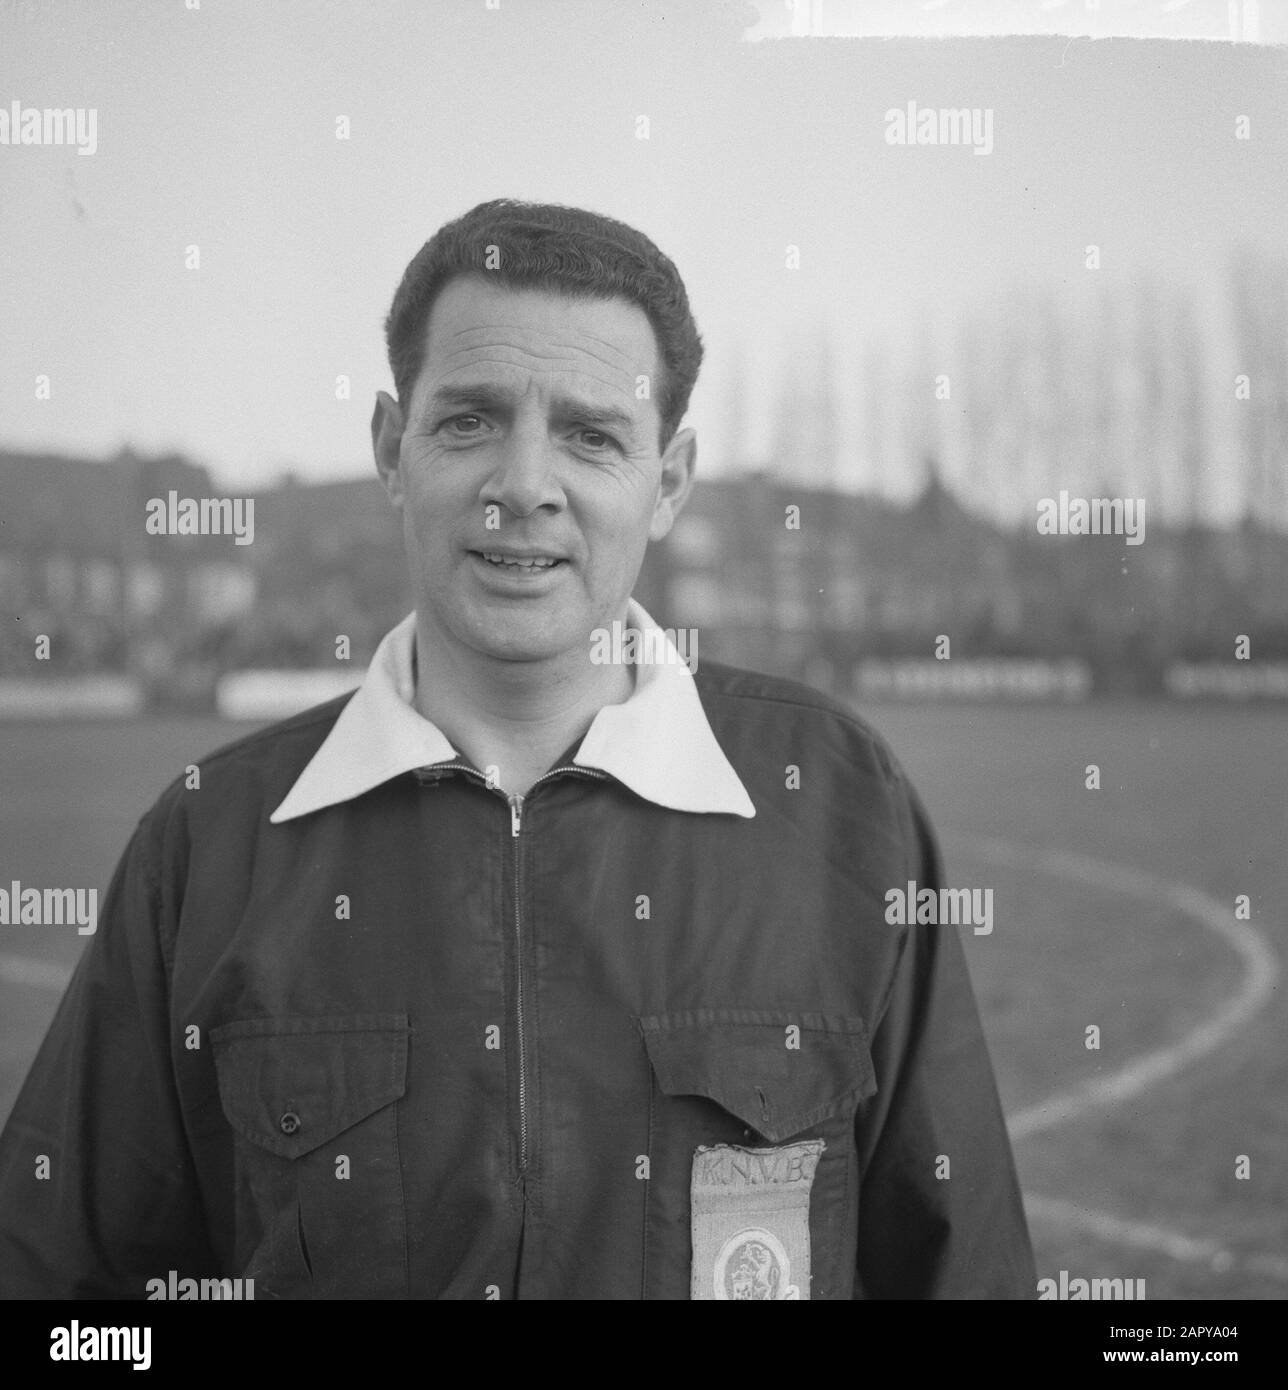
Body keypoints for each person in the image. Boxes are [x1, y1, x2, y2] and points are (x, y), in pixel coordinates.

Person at [0, 199, 1035, 1299]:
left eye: (590, 434)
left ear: (668, 482)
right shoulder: (207, 846)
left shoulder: (842, 811)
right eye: (471, 421)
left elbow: (965, 1273)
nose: (524, 484)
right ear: (393, 449)